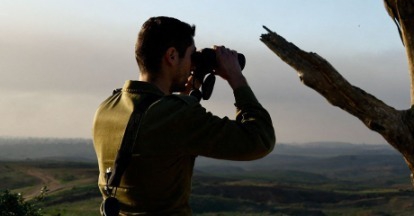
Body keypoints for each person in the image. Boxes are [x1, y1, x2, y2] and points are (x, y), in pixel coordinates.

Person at [92, 16, 276, 215]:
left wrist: (185, 96)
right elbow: (259, 139)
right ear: (172, 55)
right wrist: (236, 77)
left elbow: (154, 147)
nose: (192, 65)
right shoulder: (176, 115)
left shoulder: (106, 108)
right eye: (191, 55)